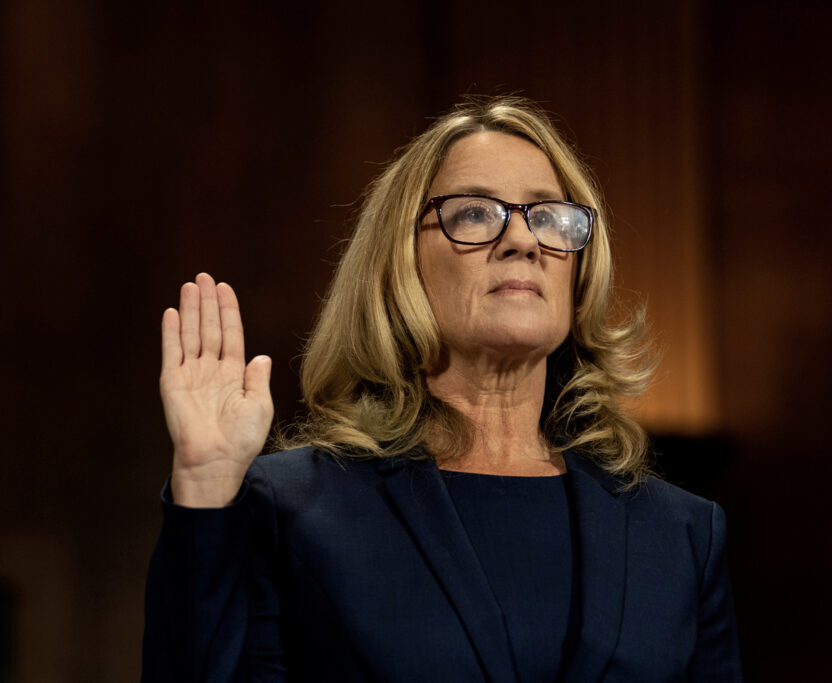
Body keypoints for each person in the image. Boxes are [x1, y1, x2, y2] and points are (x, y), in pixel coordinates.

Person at [142, 96, 743, 682]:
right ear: (400, 262)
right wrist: (205, 486)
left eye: (550, 217)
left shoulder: (681, 535)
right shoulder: (293, 509)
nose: (524, 241)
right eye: (476, 213)